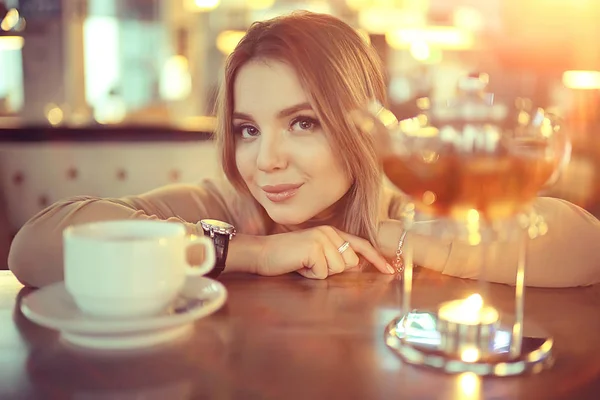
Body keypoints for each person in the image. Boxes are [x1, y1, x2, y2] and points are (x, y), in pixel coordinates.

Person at [8, 11, 600, 288]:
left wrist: (392, 239)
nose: (266, 160)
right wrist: (251, 253)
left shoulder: (405, 204)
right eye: (247, 129)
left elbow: (585, 247)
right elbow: (34, 248)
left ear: (362, 127)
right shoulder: (222, 206)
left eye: (302, 123)